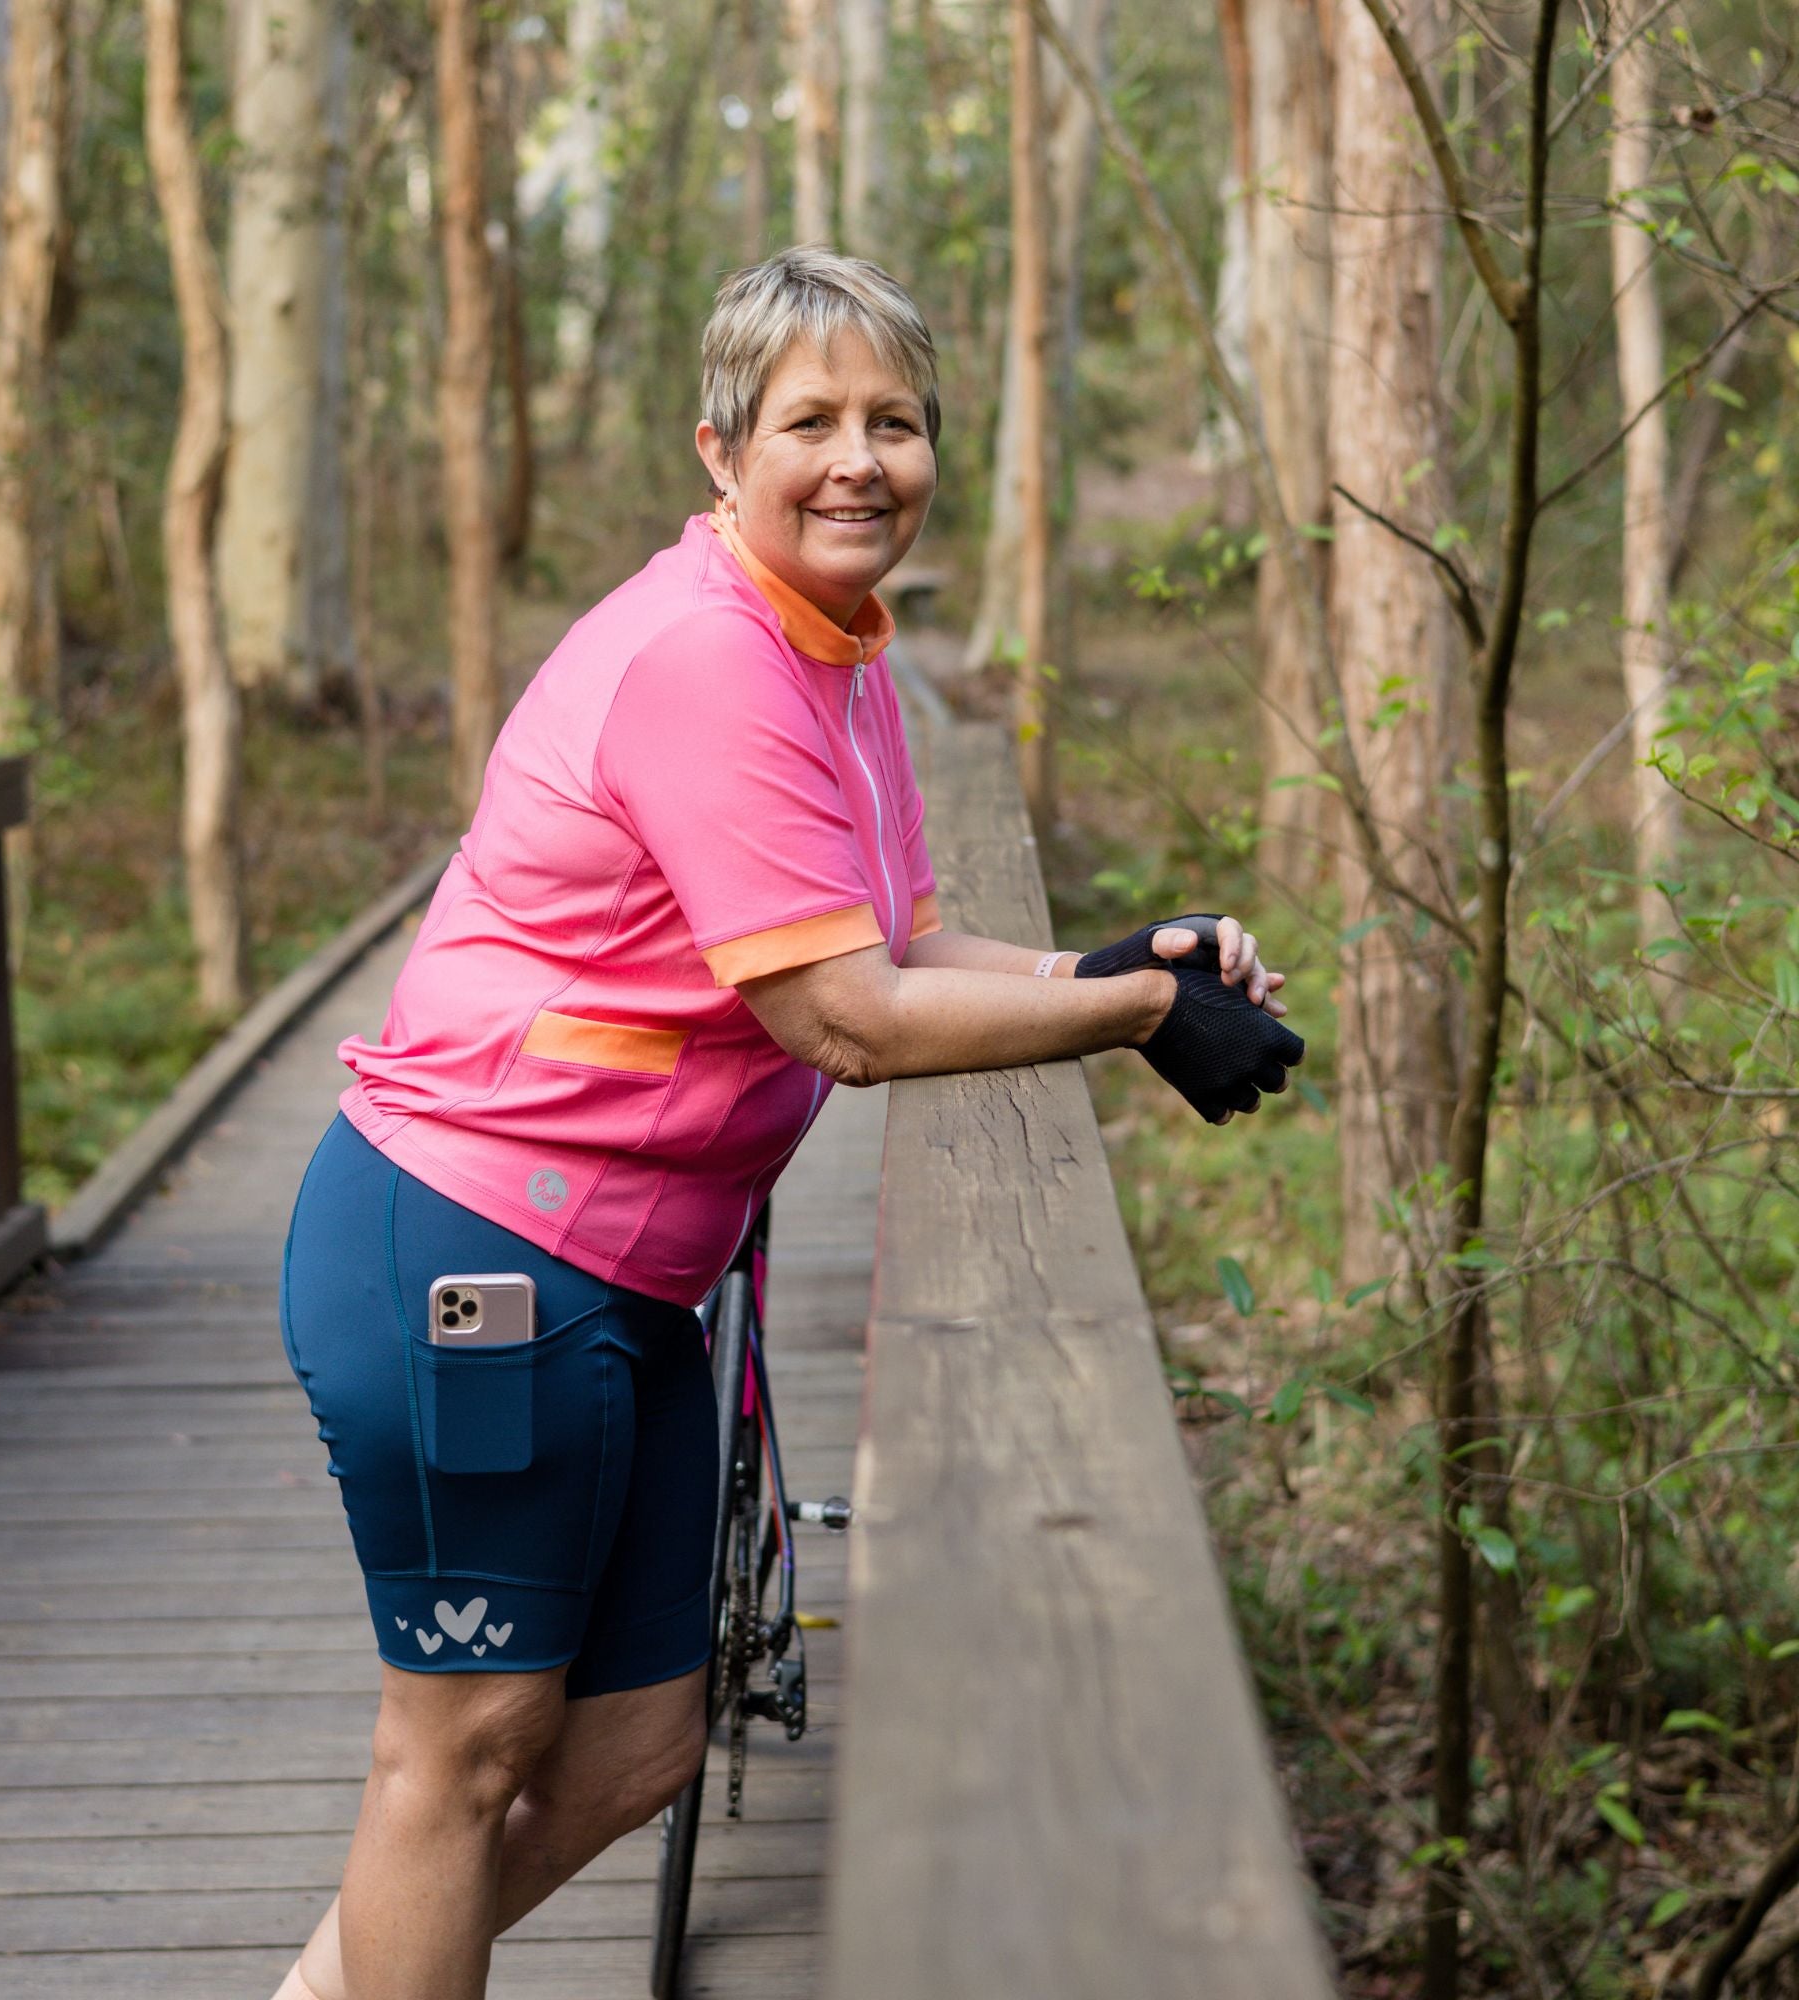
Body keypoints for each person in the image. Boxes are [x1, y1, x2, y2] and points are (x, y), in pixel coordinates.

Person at [272, 246, 1301, 2000]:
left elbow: (886, 944)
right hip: (473, 1243)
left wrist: (1106, 960)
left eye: (893, 421)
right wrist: (1134, 1018)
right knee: (462, 1750)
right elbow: (845, 1021)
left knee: (634, 1747)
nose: (859, 460)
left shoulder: (833, 651)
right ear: (719, 449)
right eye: (810, 420)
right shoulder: (704, 662)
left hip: (627, 1273)